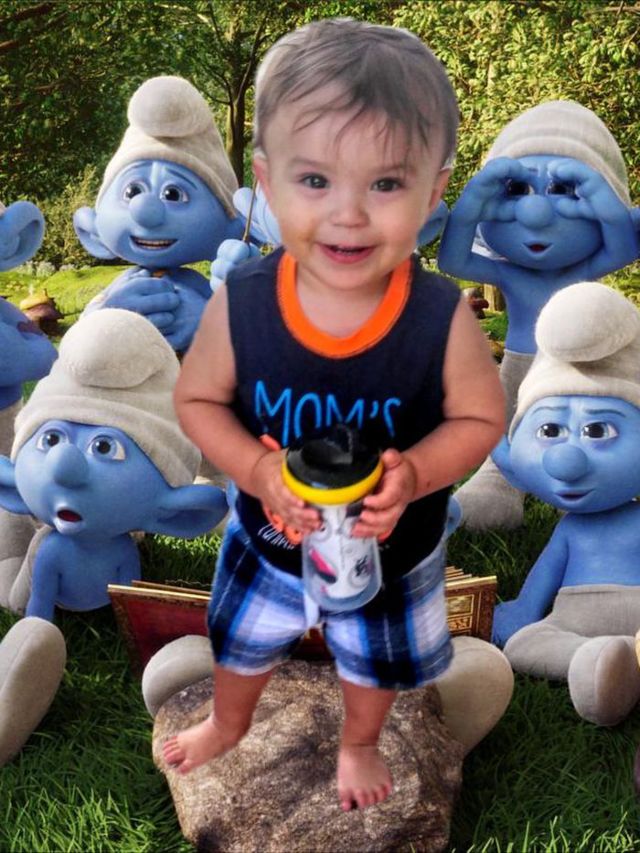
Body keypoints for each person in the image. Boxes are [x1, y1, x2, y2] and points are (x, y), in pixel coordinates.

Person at [163, 18, 505, 811]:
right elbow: (196, 399)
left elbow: (481, 419)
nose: (348, 213)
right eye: (315, 180)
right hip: (271, 539)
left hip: (391, 548)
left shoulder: (439, 316)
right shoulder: (243, 304)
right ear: (267, 182)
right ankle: (227, 720)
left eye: (385, 185)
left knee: (373, 661)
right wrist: (255, 469)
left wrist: (418, 474)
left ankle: (359, 741)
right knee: (240, 639)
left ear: (433, 193)